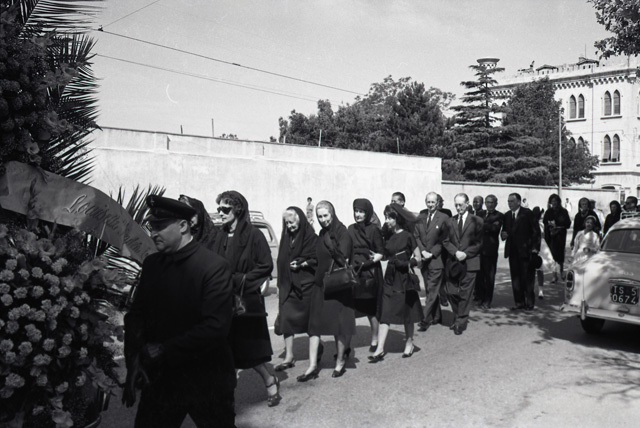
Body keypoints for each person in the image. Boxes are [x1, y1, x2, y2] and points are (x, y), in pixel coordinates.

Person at [123, 195, 236, 427]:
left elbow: (215, 327)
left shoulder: (213, 266)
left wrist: (164, 349)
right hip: (161, 380)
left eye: (160, 226)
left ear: (183, 226)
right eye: (152, 227)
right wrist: (134, 360)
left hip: (206, 379)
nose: (153, 233)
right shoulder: (153, 264)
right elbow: (136, 315)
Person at [211, 191, 280, 407]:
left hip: (245, 301)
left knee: (249, 351)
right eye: (219, 208)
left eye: (225, 209)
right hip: (223, 299)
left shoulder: (254, 235)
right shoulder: (219, 235)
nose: (221, 213)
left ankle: (269, 379)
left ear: (238, 210)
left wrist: (242, 279)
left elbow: (266, 265)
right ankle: (227, 398)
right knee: (226, 351)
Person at [298, 201, 355, 381]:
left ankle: (340, 361)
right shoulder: (322, 233)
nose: (323, 220)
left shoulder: (343, 233)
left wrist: (332, 247)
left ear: (332, 214)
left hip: (337, 285)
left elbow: (343, 258)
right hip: (320, 285)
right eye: (320, 216)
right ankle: (312, 366)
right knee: (314, 327)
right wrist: (304, 262)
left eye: (325, 215)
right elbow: (318, 257)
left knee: (338, 326)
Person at [369, 204, 423, 362]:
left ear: (397, 219)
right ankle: (380, 349)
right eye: (385, 217)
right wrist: (377, 256)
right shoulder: (388, 236)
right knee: (385, 312)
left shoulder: (408, 236)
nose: (387, 221)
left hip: (404, 278)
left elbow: (419, 258)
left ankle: (409, 343)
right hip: (390, 278)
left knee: (407, 313)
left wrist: (407, 263)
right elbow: (386, 255)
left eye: (389, 218)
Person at [274, 207, 318, 372]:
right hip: (288, 284)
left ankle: (316, 353)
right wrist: (279, 285)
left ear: (300, 221)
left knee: (310, 322)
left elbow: (317, 259)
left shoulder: (311, 237)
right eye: (287, 223)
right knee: (286, 319)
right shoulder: (286, 237)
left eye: (292, 222)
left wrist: (302, 263)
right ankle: (289, 356)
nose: (289, 226)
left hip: (306, 285)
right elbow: (281, 261)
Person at [442, 193, 483, 335]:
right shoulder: (449, 221)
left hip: (470, 262)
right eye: (456, 205)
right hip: (454, 262)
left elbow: (479, 243)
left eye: (461, 205)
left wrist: (466, 253)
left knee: (466, 294)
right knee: (450, 291)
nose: (458, 207)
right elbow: (445, 241)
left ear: (467, 204)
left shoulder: (477, 221)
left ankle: (460, 322)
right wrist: (455, 252)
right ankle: (457, 315)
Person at [347, 198, 384, 352]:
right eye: (356, 211)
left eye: (361, 211)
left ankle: (375, 339)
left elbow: (381, 252)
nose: (358, 214)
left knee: (370, 309)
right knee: (349, 309)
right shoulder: (350, 229)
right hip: (355, 272)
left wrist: (369, 262)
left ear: (367, 213)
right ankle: (346, 345)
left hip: (370, 272)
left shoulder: (374, 229)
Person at [501, 193, 541, 311]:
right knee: (515, 278)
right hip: (512, 251)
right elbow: (504, 231)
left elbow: (536, 232)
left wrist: (535, 248)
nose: (510, 203)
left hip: (526, 251)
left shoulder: (527, 213)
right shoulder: (507, 215)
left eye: (512, 201)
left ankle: (529, 303)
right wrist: (503, 235)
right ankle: (519, 302)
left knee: (527, 278)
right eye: (508, 201)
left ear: (519, 202)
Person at [414, 192, 448, 331]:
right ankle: (437, 316)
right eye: (428, 202)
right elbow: (416, 236)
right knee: (430, 289)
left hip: (436, 260)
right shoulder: (421, 217)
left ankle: (425, 319)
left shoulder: (444, 218)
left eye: (433, 202)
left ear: (437, 203)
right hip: (424, 260)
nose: (430, 205)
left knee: (432, 290)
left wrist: (432, 253)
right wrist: (423, 251)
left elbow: (444, 239)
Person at [476, 194, 504, 308]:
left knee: (489, 276)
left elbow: (495, 228)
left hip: (490, 250)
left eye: (492, 202)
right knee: (479, 276)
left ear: (496, 203)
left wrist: (482, 225)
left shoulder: (499, 215)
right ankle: (480, 297)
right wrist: (487, 226)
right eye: (487, 202)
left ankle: (487, 300)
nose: (489, 204)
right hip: (479, 249)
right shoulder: (480, 213)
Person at [542, 194, 571, 283]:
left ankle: (561, 272)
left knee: (560, 255)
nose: (554, 203)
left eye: (555, 201)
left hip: (560, 236)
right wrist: (549, 228)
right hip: (551, 236)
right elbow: (545, 222)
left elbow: (568, 224)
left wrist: (558, 227)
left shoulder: (563, 211)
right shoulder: (548, 211)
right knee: (552, 256)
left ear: (558, 202)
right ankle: (554, 275)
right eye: (552, 201)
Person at [436, 193, 452, 307]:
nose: (441, 203)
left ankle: (445, 295)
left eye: (441, 201)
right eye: (439, 201)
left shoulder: (447, 212)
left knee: (445, 273)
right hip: (433, 247)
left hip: (445, 247)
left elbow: (449, 228)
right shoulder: (425, 213)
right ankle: (439, 296)